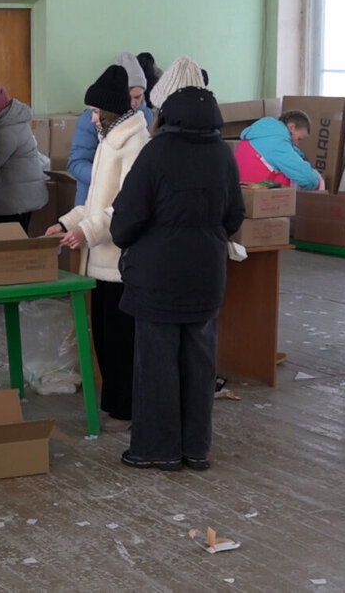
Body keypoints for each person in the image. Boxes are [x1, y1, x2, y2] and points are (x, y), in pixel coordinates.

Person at [110, 83, 245, 472]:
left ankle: (157, 449)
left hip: (157, 279)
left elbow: (125, 223)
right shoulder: (223, 154)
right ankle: (196, 450)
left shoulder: (156, 153)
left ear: (168, 117)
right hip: (206, 277)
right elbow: (235, 216)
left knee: (156, 364)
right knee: (200, 365)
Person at [44, 64, 150, 433]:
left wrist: (87, 231)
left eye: (93, 112)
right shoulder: (110, 142)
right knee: (104, 338)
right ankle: (115, 404)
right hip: (100, 260)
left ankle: (126, 409)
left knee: (121, 340)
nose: (90, 119)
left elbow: (125, 205)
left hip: (119, 260)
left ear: (108, 112)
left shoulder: (134, 144)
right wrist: (67, 222)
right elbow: (94, 200)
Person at [67, 52, 155, 206]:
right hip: (91, 199)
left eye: (139, 96)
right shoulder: (91, 120)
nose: (134, 103)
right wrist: (107, 177)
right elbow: (76, 162)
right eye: (130, 97)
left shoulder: (148, 117)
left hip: (126, 204)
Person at [0, 86, 48, 231]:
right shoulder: (16, 124)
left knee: (10, 243)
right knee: (17, 240)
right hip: (22, 197)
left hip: (15, 201)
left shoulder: (7, 133)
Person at [234, 110, 324, 190]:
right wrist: (317, 183)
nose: (297, 143)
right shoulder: (278, 141)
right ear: (292, 127)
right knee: (316, 181)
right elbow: (307, 178)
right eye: (299, 139)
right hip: (259, 191)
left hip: (242, 188)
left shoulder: (263, 132)